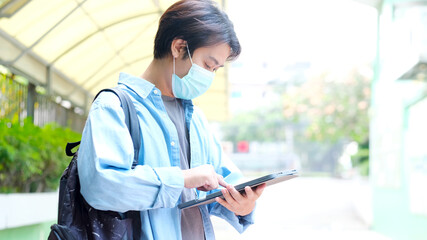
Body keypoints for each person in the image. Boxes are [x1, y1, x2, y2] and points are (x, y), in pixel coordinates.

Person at [77, 0, 265, 239]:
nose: (209, 76)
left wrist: (244, 205)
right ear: (178, 47)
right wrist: (183, 179)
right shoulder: (114, 107)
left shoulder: (195, 118)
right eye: (208, 65)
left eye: (215, 70)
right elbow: (101, 186)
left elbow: (224, 183)